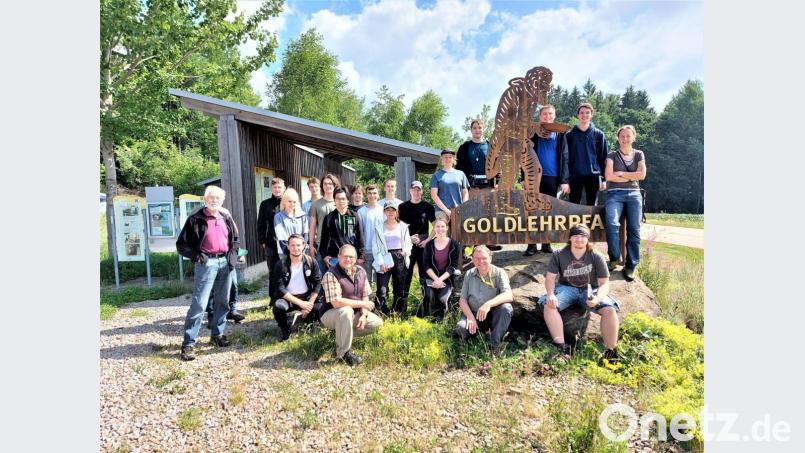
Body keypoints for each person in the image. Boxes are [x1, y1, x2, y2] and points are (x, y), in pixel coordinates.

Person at [537, 223, 621, 363]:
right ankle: (562, 347)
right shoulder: (559, 254)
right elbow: (550, 278)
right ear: (570, 238)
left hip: (589, 289)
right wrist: (551, 294)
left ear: (587, 239)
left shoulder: (595, 256)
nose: (579, 240)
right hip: (566, 288)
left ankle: (610, 351)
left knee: (609, 310)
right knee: (549, 304)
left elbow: (604, 283)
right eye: (575, 236)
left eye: (582, 237)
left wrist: (597, 298)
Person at [176, 186, 239, 361]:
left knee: (222, 301)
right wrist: (197, 256)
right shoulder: (195, 218)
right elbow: (182, 244)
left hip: (224, 263)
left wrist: (231, 260)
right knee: (199, 304)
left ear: (222, 200)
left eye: (218, 198)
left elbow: (235, 240)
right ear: (205, 199)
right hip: (206, 263)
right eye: (211, 198)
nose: (214, 201)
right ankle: (188, 343)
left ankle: (217, 334)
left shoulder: (225, 217)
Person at [319, 244, 384, 365]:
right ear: (338, 257)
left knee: (377, 324)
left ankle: (340, 333)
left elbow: (365, 295)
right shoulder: (330, 274)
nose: (348, 259)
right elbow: (337, 302)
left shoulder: (361, 271)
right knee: (346, 310)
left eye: (351, 256)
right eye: (345, 256)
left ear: (355, 258)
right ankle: (343, 354)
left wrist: (364, 315)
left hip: (353, 314)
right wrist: (363, 303)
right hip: (330, 314)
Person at [524, 104, 571, 256]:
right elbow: (524, 154)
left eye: (550, 114)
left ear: (554, 116)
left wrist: (564, 180)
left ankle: (546, 244)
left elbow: (564, 156)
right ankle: (531, 245)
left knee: (549, 212)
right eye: (544, 114)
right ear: (540, 116)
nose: (547, 116)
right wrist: (523, 176)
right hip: (533, 177)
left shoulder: (560, 134)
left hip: (552, 177)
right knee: (532, 211)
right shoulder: (532, 131)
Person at [604, 125, 647, 281]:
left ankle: (631, 265)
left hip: (634, 194)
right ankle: (614, 258)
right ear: (618, 138)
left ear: (633, 137)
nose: (625, 139)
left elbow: (642, 175)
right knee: (612, 223)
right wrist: (631, 176)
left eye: (628, 136)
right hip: (614, 194)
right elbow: (608, 176)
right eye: (622, 136)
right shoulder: (612, 155)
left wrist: (621, 173)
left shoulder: (639, 154)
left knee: (634, 229)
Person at [456, 245, 513, 355]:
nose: (480, 261)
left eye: (484, 258)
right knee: (461, 328)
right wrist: (470, 317)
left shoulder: (499, 273)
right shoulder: (469, 274)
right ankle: (480, 333)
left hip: (492, 314)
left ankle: (493, 345)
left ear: (490, 258)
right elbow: (462, 300)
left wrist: (488, 304)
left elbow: (508, 295)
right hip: (474, 313)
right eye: (477, 258)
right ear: (472, 259)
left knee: (506, 308)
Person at [271, 234, 322, 341]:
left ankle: (309, 322)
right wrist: (301, 304)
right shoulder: (281, 264)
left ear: (304, 246)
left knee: (320, 308)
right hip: (288, 299)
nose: (296, 248)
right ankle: (285, 329)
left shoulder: (311, 262)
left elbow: (318, 283)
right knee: (278, 307)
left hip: (306, 297)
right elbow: (280, 289)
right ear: (288, 246)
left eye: (298, 245)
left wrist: (309, 304)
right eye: (293, 245)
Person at [372, 202, 413, 315]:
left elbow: (408, 243)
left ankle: (398, 311)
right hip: (385, 257)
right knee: (382, 288)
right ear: (384, 211)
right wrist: (380, 262)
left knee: (399, 286)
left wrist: (406, 251)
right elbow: (375, 246)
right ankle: (381, 312)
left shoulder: (403, 226)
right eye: (388, 210)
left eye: (393, 210)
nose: (390, 212)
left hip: (399, 257)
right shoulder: (379, 227)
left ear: (396, 212)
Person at [398, 180, 436, 303]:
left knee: (424, 274)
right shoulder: (402, 207)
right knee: (406, 273)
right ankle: (402, 304)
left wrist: (428, 241)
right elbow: (398, 227)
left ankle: (425, 304)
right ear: (410, 191)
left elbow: (436, 226)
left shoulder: (427, 207)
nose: (416, 191)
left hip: (423, 243)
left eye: (419, 189)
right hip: (407, 244)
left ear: (422, 191)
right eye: (414, 189)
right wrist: (408, 239)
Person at [565, 103, 609, 206]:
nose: (584, 115)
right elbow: (565, 159)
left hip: (593, 176)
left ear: (591, 115)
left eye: (587, 113)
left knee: (592, 205)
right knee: (574, 205)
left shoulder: (599, 134)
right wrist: (565, 179)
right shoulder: (569, 135)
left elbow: (603, 159)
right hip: (574, 176)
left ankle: (589, 223)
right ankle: (575, 223)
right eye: (582, 113)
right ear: (578, 115)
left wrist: (603, 179)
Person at [419, 217, 461, 319]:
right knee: (428, 296)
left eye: (443, 226)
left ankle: (439, 322)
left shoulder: (454, 245)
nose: (440, 229)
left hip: (446, 279)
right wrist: (436, 279)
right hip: (431, 278)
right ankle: (423, 319)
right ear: (434, 228)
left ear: (447, 228)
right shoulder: (429, 245)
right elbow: (426, 265)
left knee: (442, 300)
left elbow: (453, 266)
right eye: (437, 226)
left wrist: (440, 279)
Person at [319, 187, 365, 270]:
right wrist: (324, 256)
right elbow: (324, 240)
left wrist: (361, 256)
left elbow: (360, 237)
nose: (340, 201)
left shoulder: (354, 216)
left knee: (351, 282)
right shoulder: (329, 218)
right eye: (338, 199)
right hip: (334, 258)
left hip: (351, 258)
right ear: (334, 200)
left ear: (347, 200)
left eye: (343, 199)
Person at [256, 177, 286, 305]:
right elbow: (261, 223)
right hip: (271, 243)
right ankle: (273, 299)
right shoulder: (265, 204)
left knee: (285, 271)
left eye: (279, 187)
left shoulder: (288, 202)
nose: (277, 189)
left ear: (283, 188)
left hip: (286, 244)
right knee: (273, 272)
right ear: (271, 189)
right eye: (275, 187)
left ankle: (286, 298)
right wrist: (262, 240)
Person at [308, 173, 339, 272]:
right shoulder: (316, 205)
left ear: (334, 185)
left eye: (330, 183)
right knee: (320, 277)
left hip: (337, 245)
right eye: (325, 184)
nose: (327, 186)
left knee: (337, 277)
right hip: (321, 245)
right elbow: (312, 227)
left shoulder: (340, 202)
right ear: (322, 186)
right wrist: (311, 246)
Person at [356, 184, 385, 289]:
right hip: (366, 251)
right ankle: (366, 303)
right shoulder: (361, 212)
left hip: (380, 252)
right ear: (366, 195)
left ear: (378, 195)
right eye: (369, 193)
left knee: (381, 281)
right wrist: (361, 252)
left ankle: (380, 304)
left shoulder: (384, 210)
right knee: (365, 281)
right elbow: (359, 233)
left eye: (374, 193)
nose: (372, 195)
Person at [430, 149, 470, 218]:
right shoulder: (436, 175)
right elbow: (434, 195)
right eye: (445, 157)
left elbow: (465, 192)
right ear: (442, 159)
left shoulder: (461, 174)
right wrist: (446, 211)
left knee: (460, 228)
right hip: (441, 211)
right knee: (443, 229)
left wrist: (463, 207)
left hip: (458, 211)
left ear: (453, 159)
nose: (448, 159)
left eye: (450, 157)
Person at [456, 118, 494, 189]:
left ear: (483, 129)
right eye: (474, 128)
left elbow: (497, 165)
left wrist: (497, 183)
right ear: (471, 130)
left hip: (488, 187)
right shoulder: (464, 147)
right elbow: (458, 168)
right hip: (469, 188)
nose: (477, 130)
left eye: (480, 128)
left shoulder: (490, 146)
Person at [274, 188, 309, 257]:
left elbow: (305, 234)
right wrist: (291, 253)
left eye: (294, 202)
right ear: (284, 202)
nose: (292, 204)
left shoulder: (303, 215)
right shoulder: (278, 217)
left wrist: (301, 250)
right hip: (285, 252)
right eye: (289, 201)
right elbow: (281, 238)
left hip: (301, 252)